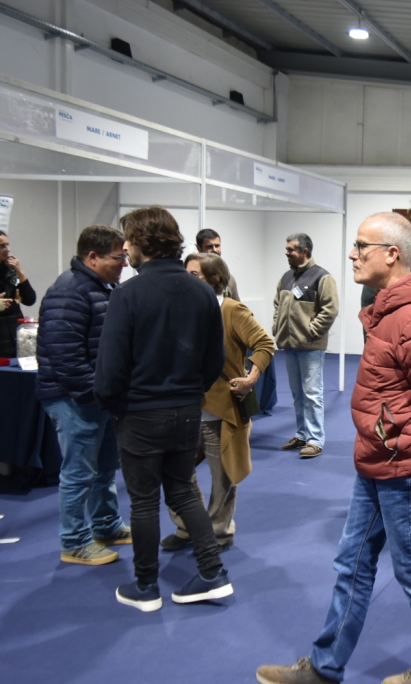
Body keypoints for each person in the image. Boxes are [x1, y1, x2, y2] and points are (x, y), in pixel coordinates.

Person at [256, 212, 411, 684]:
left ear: (392, 254)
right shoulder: (393, 309)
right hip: (380, 458)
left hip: (405, 465)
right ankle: (324, 667)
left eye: (361, 246)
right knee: (352, 564)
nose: (352, 254)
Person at [94, 206, 231, 612]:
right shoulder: (202, 293)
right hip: (187, 409)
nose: (125, 249)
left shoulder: (127, 295)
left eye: (128, 241)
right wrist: (190, 392)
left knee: (143, 502)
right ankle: (212, 573)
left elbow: (110, 368)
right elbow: (214, 359)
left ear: (141, 242)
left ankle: (146, 585)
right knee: (184, 491)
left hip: (139, 413)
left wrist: (113, 405)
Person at [161, 253, 274, 552]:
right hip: (182, 408)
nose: (187, 280)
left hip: (219, 411)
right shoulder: (179, 309)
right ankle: (188, 526)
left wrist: (250, 378)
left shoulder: (232, 310)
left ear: (216, 279)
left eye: (195, 275)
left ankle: (218, 531)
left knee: (223, 477)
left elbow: (265, 344)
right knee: (175, 472)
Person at [36, 225, 132, 566]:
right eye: (118, 257)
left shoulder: (101, 287)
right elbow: (65, 357)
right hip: (75, 399)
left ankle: (106, 525)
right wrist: (95, 394)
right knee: (79, 473)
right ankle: (74, 540)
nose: (124, 263)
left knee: (105, 468)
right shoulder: (69, 291)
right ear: (93, 257)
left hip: (97, 397)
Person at [274, 233, 339, 459]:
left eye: (291, 249)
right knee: (298, 395)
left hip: (310, 347)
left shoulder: (322, 277)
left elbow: (330, 309)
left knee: (312, 394)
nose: (287, 253)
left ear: (305, 251)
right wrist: (277, 327)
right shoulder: (285, 278)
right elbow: (277, 305)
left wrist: (311, 332)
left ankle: (315, 440)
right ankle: (302, 434)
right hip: (289, 346)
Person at [0, 229, 36, 357]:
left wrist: (20, 271)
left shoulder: (10, 270)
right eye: (2, 246)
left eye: (7, 245)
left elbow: (30, 299)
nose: (7, 249)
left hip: (14, 336)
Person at [195, 228, 240, 301]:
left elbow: (237, 306)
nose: (215, 250)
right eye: (209, 246)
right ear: (198, 248)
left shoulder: (229, 279)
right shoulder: (193, 278)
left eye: (217, 246)